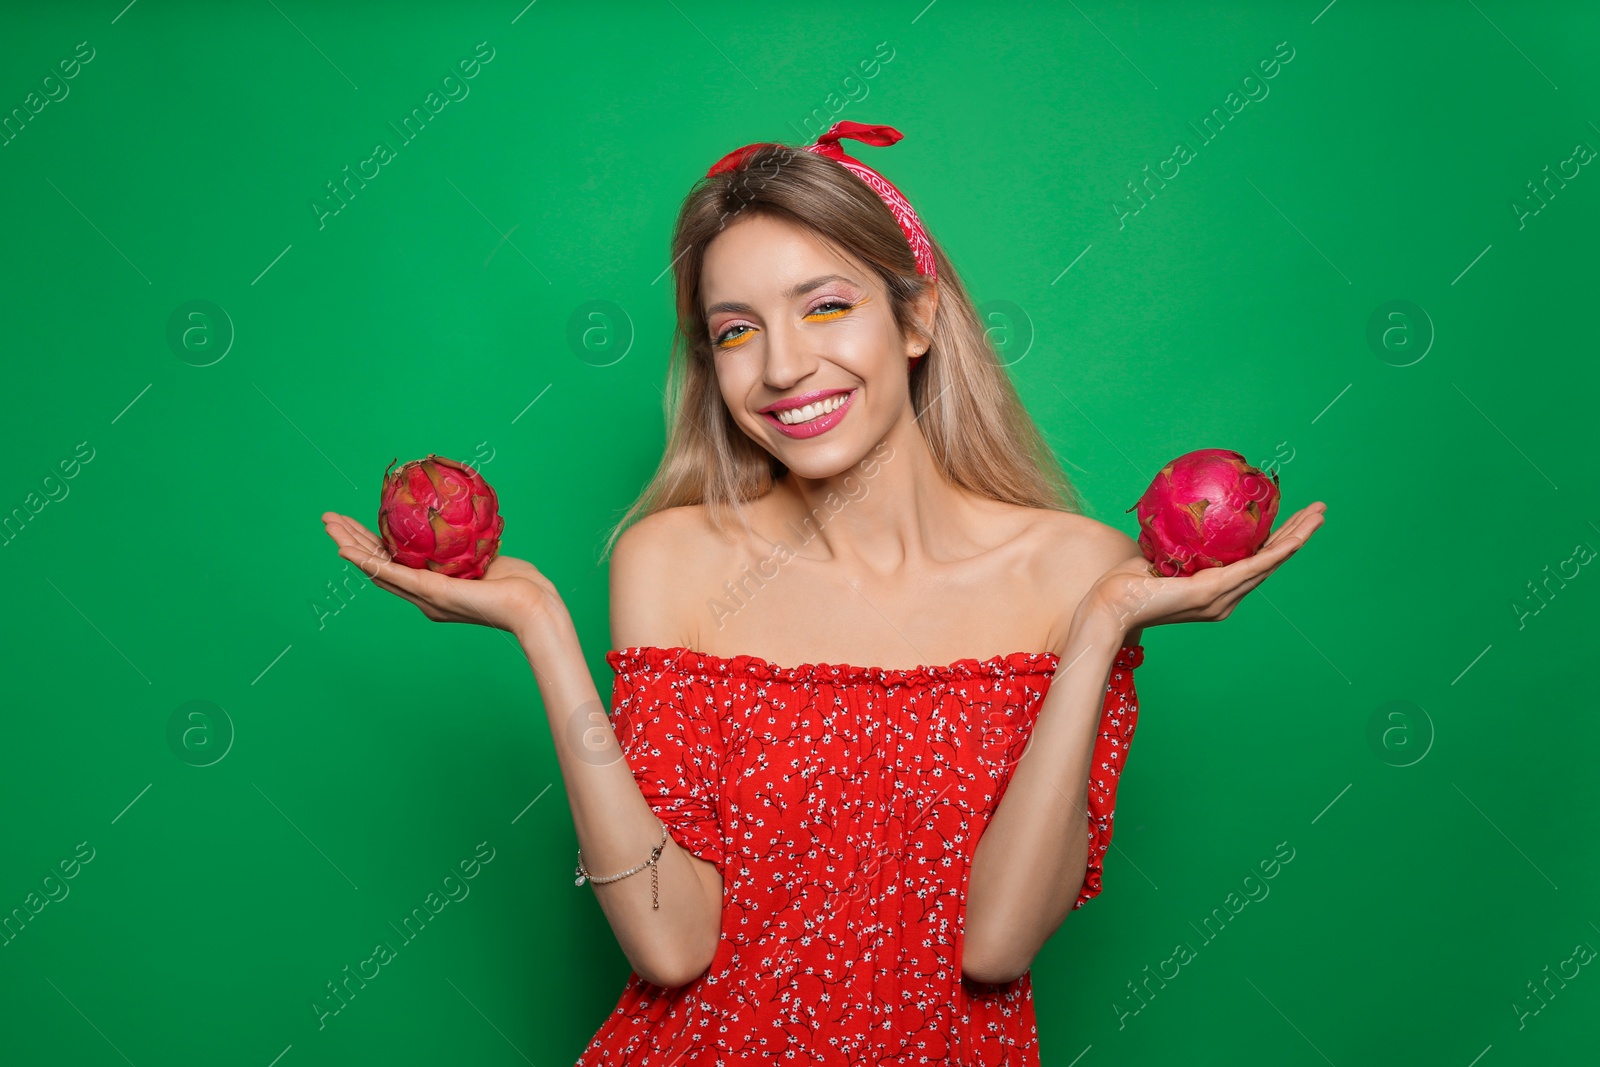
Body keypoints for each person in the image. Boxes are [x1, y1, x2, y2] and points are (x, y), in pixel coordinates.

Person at [321, 120, 1325, 1065]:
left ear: (918, 315)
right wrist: (542, 628)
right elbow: (670, 947)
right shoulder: (670, 559)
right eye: (734, 331)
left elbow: (995, 946)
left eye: (827, 305)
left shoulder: (1074, 570)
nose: (784, 365)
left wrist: (1105, 623)